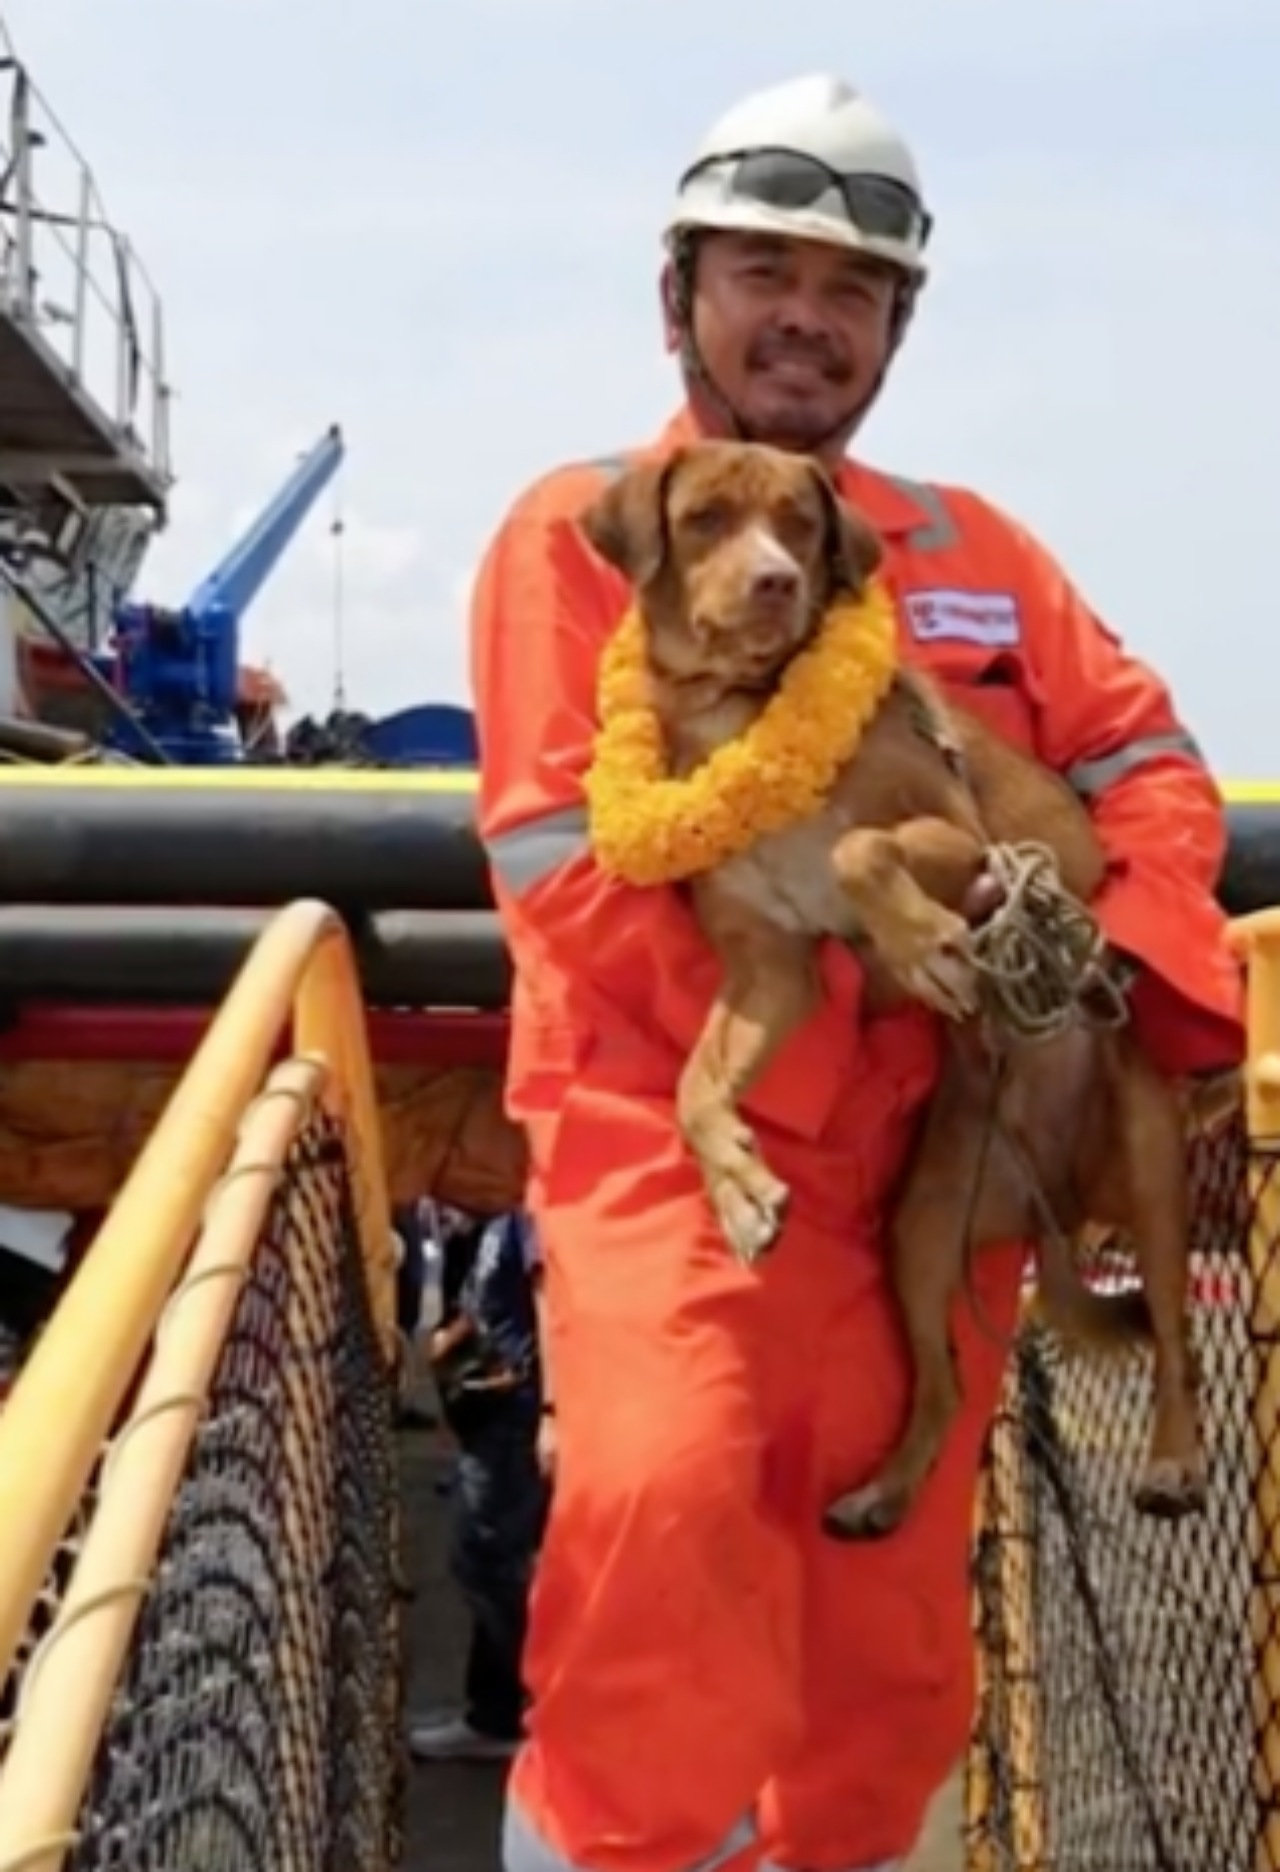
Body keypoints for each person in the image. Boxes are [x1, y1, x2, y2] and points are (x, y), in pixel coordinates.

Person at [469, 73, 1244, 1872]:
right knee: (662, 1529)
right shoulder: (583, 531)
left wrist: (1105, 964)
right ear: (684, 299)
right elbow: (557, 858)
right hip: (691, 1147)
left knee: (883, 1634)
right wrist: (850, 1008)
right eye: (763, 273)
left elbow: (1143, 762)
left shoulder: (969, 553)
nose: (808, 317)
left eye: (855, 290)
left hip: (940, 1160)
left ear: (894, 328)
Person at [408, 1207, 551, 1763]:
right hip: (497, 1406)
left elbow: (549, 1297)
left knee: (487, 1558)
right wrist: (452, 1337)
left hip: (518, 1407)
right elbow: (487, 1292)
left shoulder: (534, 1206)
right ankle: (499, 1708)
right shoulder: (502, 1214)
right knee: (495, 1558)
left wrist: (552, 1407)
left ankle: (528, 1698)